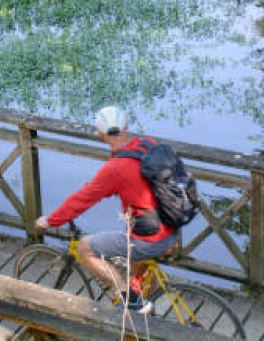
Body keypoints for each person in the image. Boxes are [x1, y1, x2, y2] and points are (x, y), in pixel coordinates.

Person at [35, 106, 181, 313]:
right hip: (173, 226)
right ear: (127, 126)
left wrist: (51, 220)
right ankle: (144, 306)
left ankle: (132, 300)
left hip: (151, 239)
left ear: (100, 134)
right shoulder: (149, 144)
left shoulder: (115, 168)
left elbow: (83, 199)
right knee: (134, 261)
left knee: (85, 248)